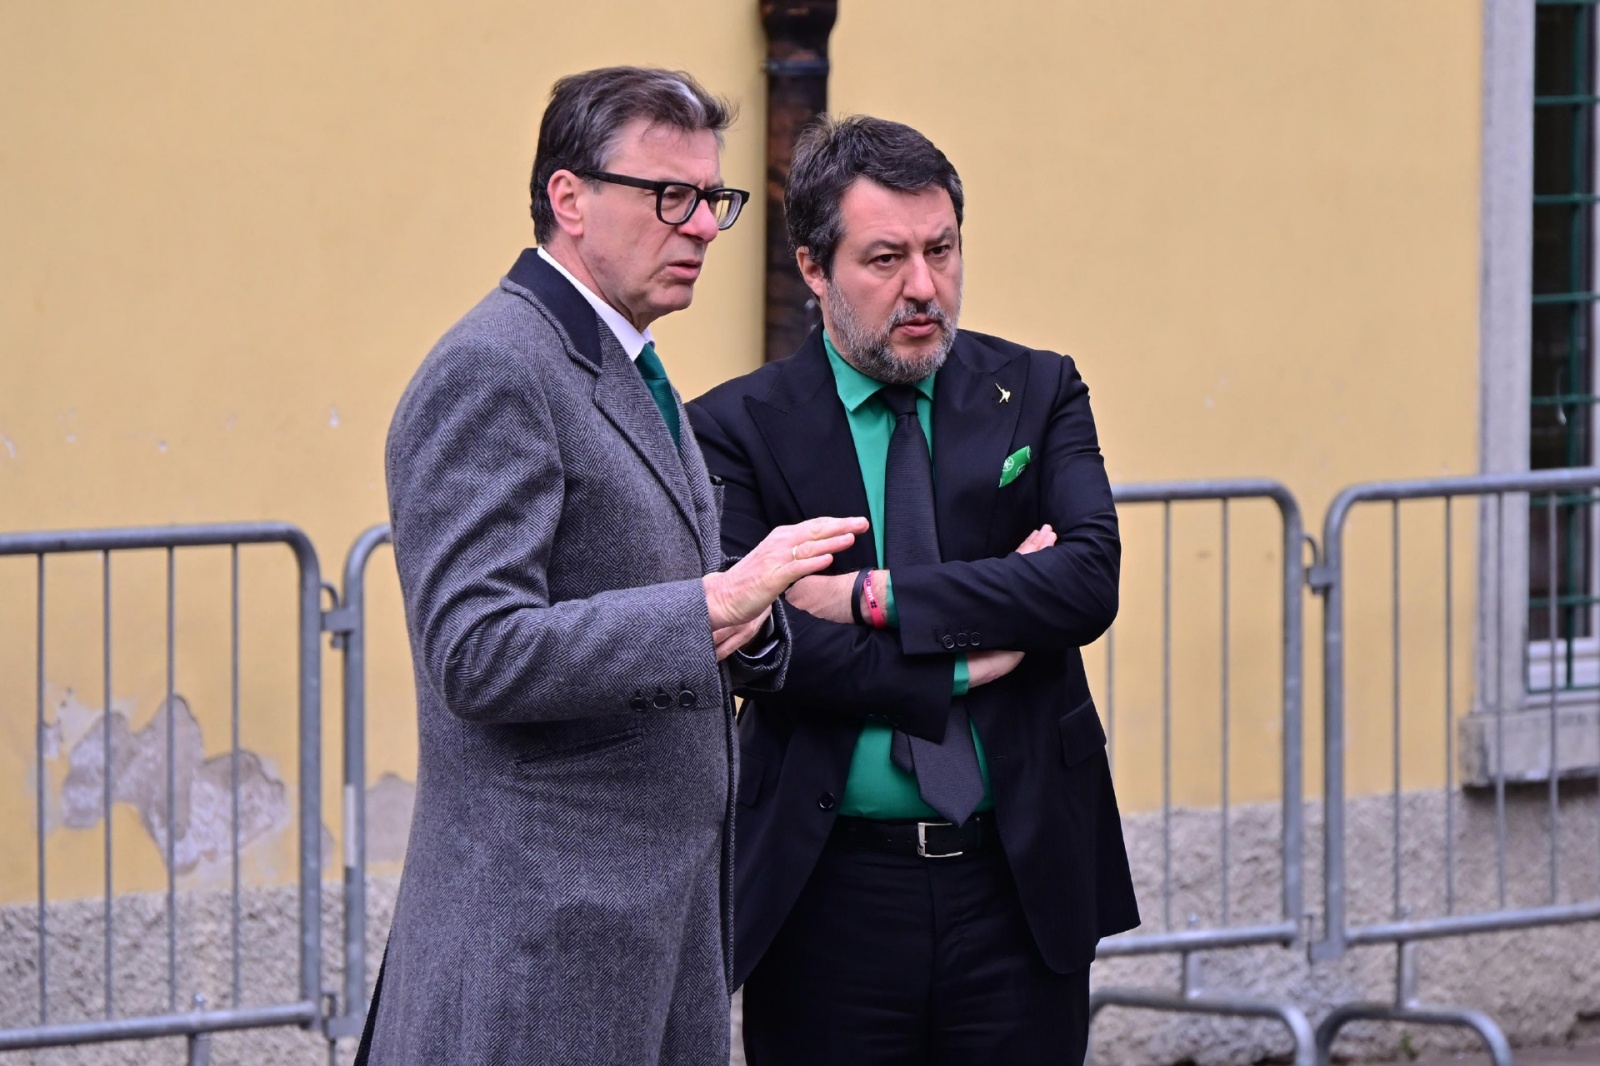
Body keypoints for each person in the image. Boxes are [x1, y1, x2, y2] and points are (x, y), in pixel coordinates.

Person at [356, 68, 865, 1066]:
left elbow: (646, 603)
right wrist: (706, 604)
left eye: (712, 200)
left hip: (647, 930)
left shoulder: (626, 363)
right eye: (667, 197)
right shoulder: (496, 366)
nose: (702, 229)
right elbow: (477, 652)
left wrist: (751, 623)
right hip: (537, 945)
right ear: (569, 198)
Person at [687, 114, 1139, 1065]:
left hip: (1019, 883)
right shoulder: (735, 429)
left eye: (942, 249)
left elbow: (1087, 581)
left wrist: (874, 598)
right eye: (885, 258)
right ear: (814, 269)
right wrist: (976, 650)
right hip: (827, 894)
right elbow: (767, 649)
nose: (924, 286)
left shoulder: (1040, 388)